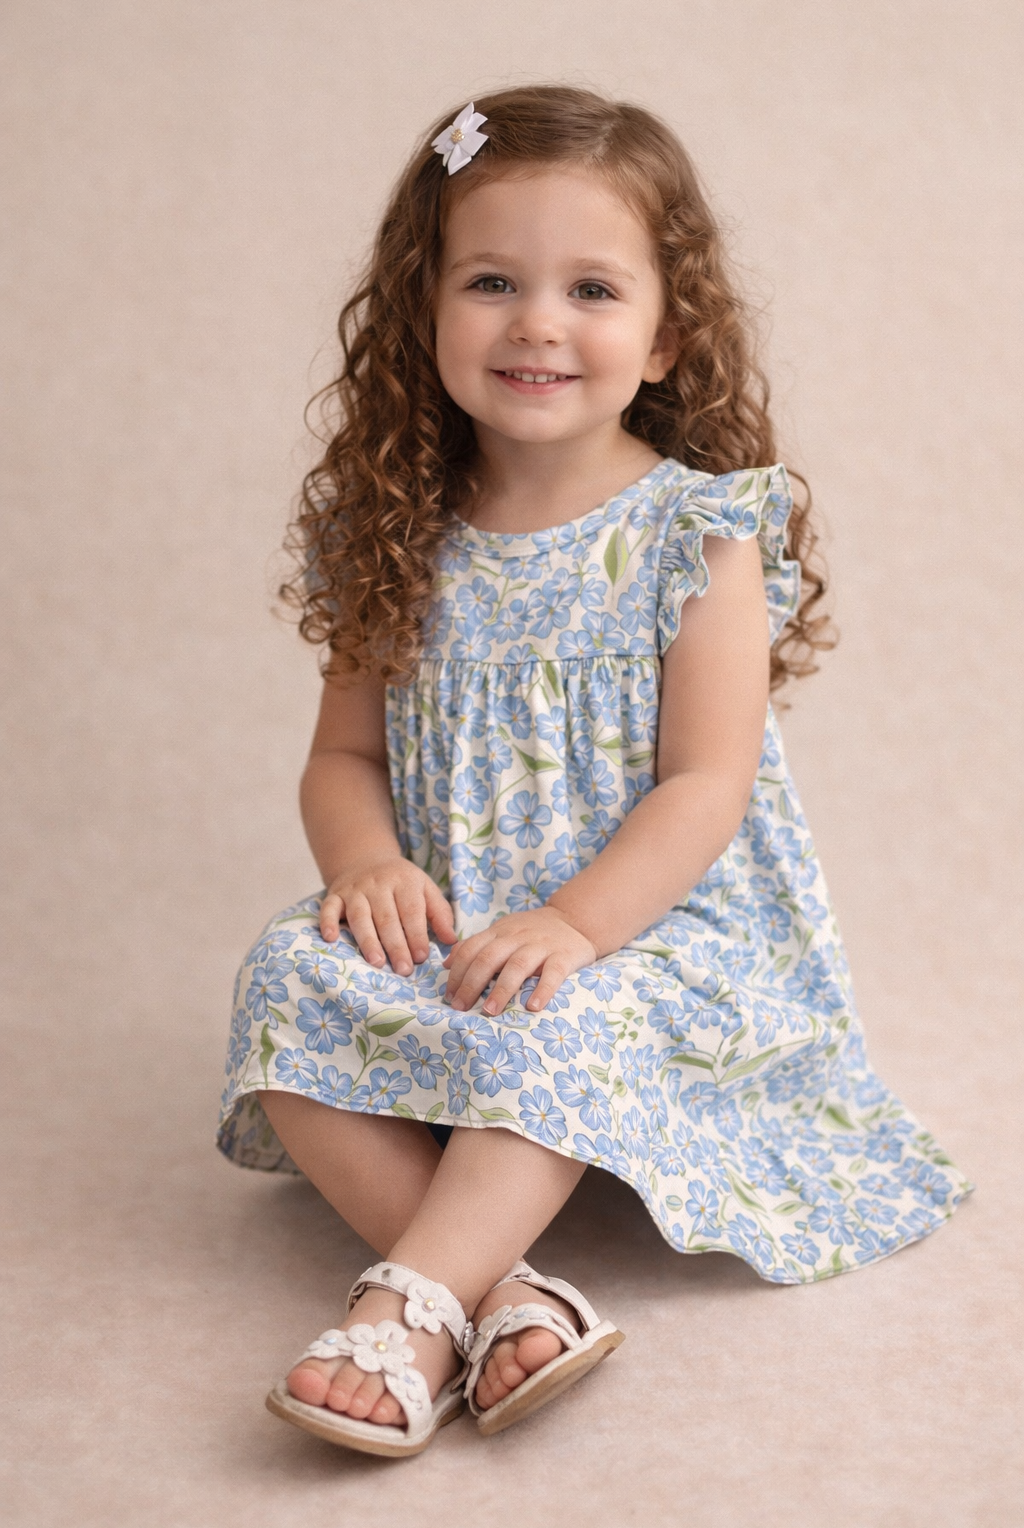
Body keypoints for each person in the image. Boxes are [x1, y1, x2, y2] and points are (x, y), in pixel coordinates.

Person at [218, 86, 970, 1456]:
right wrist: (368, 865)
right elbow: (339, 756)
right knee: (280, 976)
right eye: (493, 280)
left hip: (651, 930)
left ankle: (405, 1310)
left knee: (573, 1016)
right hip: (461, 931)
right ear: (422, 306)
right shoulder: (401, 530)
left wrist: (575, 926)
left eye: (592, 289)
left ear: (669, 330)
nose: (539, 324)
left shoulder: (700, 531)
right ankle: (506, 1298)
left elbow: (705, 785)